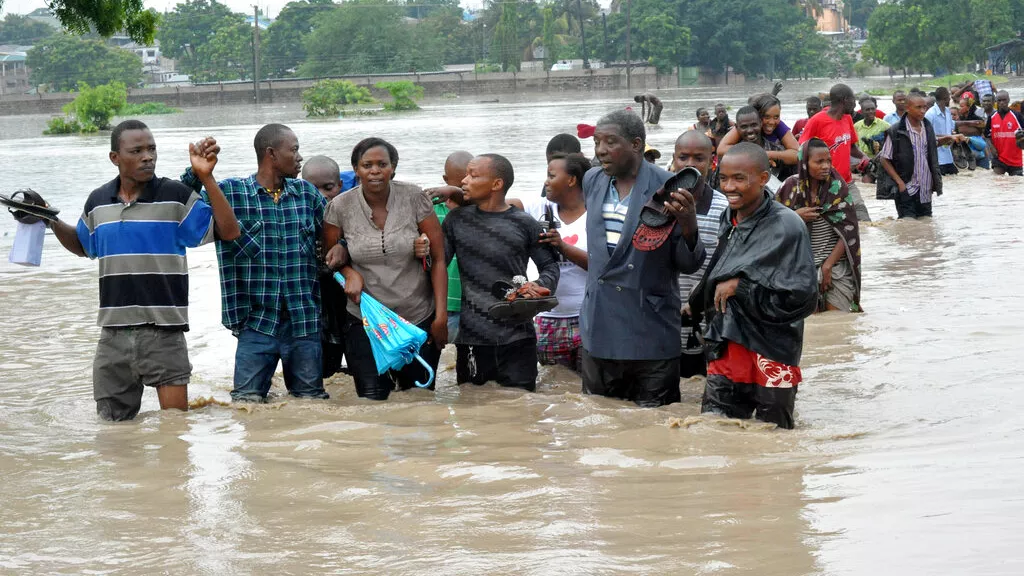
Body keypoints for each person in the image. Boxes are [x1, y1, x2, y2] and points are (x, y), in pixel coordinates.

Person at [38, 120, 239, 420]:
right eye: (137, 150)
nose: (148, 156)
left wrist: (207, 178)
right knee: (112, 432)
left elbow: (229, 231)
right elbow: (84, 246)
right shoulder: (97, 202)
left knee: (175, 429)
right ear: (115, 158)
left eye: (152, 149)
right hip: (113, 335)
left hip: (164, 332)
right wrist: (47, 217)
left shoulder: (176, 196)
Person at [182, 123, 330, 403]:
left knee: (311, 404)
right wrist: (198, 173)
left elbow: (337, 234)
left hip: (304, 322)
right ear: (271, 154)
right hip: (255, 324)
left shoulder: (307, 195)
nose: (300, 157)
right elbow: (178, 203)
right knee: (246, 405)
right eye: (294, 149)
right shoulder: (230, 193)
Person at [580, 110, 706, 407]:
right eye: (597, 142)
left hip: (650, 330)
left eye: (611, 142)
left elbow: (689, 264)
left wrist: (688, 224)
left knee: (654, 430)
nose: (600, 150)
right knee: (600, 423)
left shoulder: (671, 186)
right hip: (599, 328)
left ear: (636, 144)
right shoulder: (592, 180)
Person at [695, 143, 818, 430]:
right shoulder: (731, 217)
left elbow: (803, 297)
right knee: (716, 424)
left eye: (739, 178)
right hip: (730, 334)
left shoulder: (787, 225)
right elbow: (722, 264)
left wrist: (744, 288)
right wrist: (696, 300)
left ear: (763, 179)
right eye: (723, 178)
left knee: (774, 431)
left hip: (772, 344)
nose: (728, 187)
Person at [323, 138, 447, 400]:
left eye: (382, 164)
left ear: (393, 168)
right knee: (372, 402)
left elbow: (438, 259)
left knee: (419, 401)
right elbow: (330, 257)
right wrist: (349, 273)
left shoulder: (414, 198)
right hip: (366, 321)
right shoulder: (340, 207)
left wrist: (440, 318)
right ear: (356, 170)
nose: (375, 171)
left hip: (416, 318)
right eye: (367, 165)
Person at [443, 154, 560, 391]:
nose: (464, 181)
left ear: (497, 184)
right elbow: (437, 264)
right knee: (472, 409)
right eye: (465, 174)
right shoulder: (456, 220)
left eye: (473, 175)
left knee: (521, 408)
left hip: (518, 336)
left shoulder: (525, 223)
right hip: (472, 337)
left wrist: (537, 286)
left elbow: (550, 266)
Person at [511, 153, 591, 372]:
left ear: (572, 180)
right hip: (548, 319)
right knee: (555, 388)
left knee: (589, 391)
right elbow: (497, 203)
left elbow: (602, 267)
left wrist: (563, 247)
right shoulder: (537, 207)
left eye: (551, 175)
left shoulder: (595, 213)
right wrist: (455, 191)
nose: (545, 181)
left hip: (588, 318)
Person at [777, 139, 862, 313]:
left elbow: (849, 231)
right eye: (819, 162)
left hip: (836, 265)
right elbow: (771, 225)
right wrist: (795, 216)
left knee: (837, 323)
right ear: (804, 163)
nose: (826, 166)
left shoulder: (838, 187)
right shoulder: (790, 187)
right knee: (809, 321)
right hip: (799, 267)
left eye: (828, 161)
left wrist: (828, 266)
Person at [672, 131, 728, 378]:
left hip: (708, 317)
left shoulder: (723, 208)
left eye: (699, 158)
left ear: (711, 161)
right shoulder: (659, 205)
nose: (690, 165)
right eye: (683, 157)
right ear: (674, 159)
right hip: (667, 317)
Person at [417, 151, 473, 343]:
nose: (463, 188)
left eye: (470, 178)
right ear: (445, 180)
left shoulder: (480, 210)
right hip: (441, 301)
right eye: (456, 185)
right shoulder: (429, 210)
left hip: (472, 302)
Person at [301, 155, 348, 378]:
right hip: (314, 302)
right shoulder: (297, 214)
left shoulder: (350, 211)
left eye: (328, 187)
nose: (321, 194)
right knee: (324, 369)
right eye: (312, 188)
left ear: (339, 185)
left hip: (347, 297)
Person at [799, 83, 872, 222]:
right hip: (825, 184)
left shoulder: (848, 119)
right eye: (853, 100)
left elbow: (852, 148)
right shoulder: (817, 121)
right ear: (844, 100)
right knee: (831, 223)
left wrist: (865, 158)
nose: (855, 105)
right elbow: (802, 151)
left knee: (864, 220)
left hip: (847, 182)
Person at [877, 93, 943, 219]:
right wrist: (900, 183)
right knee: (907, 223)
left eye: (925, 107)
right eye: (918, 107)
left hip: (925, 189)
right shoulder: (896, 130)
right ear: (907, 108)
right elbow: (884, 159)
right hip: (906, 188)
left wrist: (935, 181)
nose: (923, 111)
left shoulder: (928, 128)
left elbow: (931, 149)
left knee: (927, 224)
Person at [717, 93, 799, 179]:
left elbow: (797, 154)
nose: (771, 122)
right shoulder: (746, 125)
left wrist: (766, 154)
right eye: (766, 117)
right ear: (757, 116)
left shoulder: (779, 126)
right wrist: (756, 155)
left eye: (776, 117)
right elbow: (721, 149)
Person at [925, 87, 963, 176]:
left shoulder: (947, 111)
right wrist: (948, 137)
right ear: (945, 98)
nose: (950, 98)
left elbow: (950, 130)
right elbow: (927, 135)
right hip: (936, 158)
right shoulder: (930, 114)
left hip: (948, 157)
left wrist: (953, 136)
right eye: (949, 96)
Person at [984, 90, 1024, 176]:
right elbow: (987, 134)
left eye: (1004, 100)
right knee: (997, 182)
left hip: (1015, 159)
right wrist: (991, 147)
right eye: (999, 100)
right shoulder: (992, 117)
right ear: (996, 101)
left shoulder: (1017, 116)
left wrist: (1020, 140)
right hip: (999, 158)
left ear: (1009, 100)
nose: (1002, 103)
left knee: (1015, 184)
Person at [955, 93, 990, 169]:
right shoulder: (958, 121)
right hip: (965, 154)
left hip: (980, 154)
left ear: (968, 108)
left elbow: (985, 136)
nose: (959, 108)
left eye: (961, 106)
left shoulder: (978, 121)